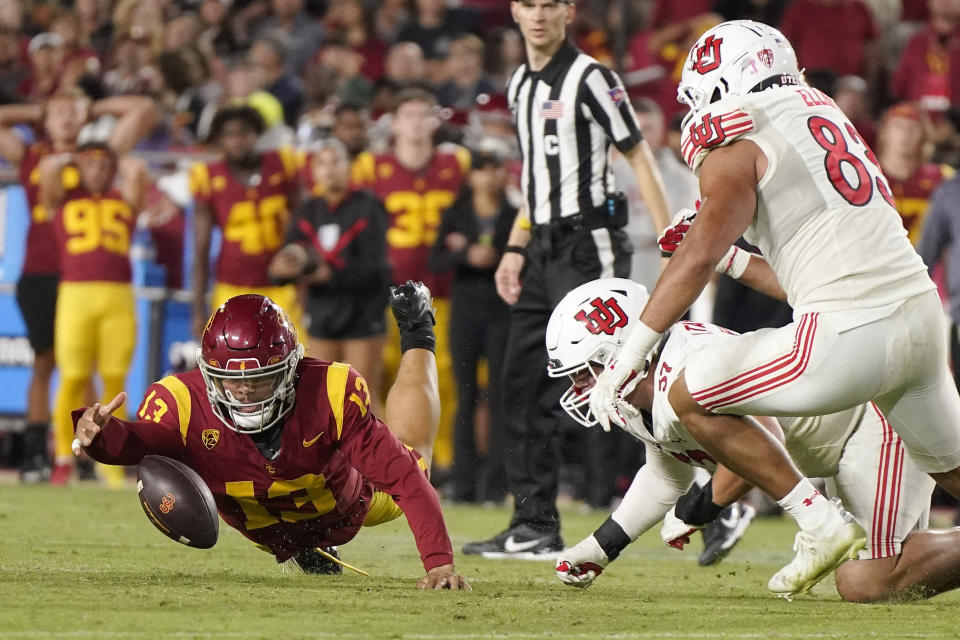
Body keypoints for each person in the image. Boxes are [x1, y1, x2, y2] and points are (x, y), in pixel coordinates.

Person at [590, 19, 960, 597]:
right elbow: (812, 268)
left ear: (718, 85)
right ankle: (830, 528)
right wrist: (733, 262)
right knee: (874, 579)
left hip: (848, 333)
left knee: (688, 393)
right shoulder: (822, 111)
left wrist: (626, 357)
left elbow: (695, 253)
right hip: (917, 318)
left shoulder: (737, 133)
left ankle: (817, 523)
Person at [552, 278, 960, 603]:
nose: (581, 388)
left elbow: (762, 435)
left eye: (586, 372)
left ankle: (823, 523)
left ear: (620, 349)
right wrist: (600, 547)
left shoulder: (687, 365)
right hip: (836, 445)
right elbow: (665, 474)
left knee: (869, 581)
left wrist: (702, 505)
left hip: (871, 419)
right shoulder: (636, 389)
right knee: (888, 571)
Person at [71, 286, 470, 590]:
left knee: (415, 459)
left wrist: (439, 564)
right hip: (269, 528)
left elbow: (405, 481)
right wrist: (101, 436)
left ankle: (418, 330)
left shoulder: (328, 392)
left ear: (290, 368)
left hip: (352, 506)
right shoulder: (181, 402)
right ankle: (305, 550)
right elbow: (138, 443)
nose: (244, 392)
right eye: (231, 381)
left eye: (259, 380)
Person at [462, 0, 671, 558]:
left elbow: (638, 155)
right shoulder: (520, 83)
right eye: (528, 3)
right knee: (520, 381)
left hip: (589, 244)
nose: (537, 15)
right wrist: (514, 246)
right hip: (543, 247)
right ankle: (533, 524)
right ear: (513, 10)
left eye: (549, 4)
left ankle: (715, 491)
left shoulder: (592, 77)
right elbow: (533, 177)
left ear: (569, 11)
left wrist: (673, 237)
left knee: (621, 382)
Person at [0, 90, 156, 482]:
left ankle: (92, 457)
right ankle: (45, 455)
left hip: (92, 278)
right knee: (50, 365)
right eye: (59, 111)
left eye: (74, 110)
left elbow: (143, 109)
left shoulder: (100, 153)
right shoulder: (34, 154)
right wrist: (41, 110)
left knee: (92, 370)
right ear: (45, 118)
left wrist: (93, 108)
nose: (67, 117)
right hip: (45, 272)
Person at [351, 87, 471, 475]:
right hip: (387, 289)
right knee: (383, 371)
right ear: (395, 123)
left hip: (443, 289)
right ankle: (390, 454)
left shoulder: (457, 165)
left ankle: (443, 460)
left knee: (445, 373)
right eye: (409, 115)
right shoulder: (372, 166)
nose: (417, 123)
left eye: (424, 114)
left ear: (436, 120)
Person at [40, 141, 149, 486]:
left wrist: (114, 156)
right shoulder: (64, 197)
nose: (98, 172)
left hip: (118, 295)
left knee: (115, 378)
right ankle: (62, 457)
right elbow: (46, 174)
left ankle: (111, 463)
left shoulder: (123, 199)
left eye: (105, 166)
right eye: (91, 165)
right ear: (79, 167)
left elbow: (138, 172)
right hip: (76, 293)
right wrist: (72, 158)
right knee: (72, 377)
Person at [269, 138, 390, 416]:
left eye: (336, 161)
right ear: (313, 171)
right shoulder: (307, 210)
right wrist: (281, 270)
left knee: (362, 397)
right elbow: (287, 259)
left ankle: (372, 459)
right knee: (319, 399)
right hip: (322, 314)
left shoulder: (369, 206)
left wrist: (330, 275)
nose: (329, 169)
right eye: (321, 163)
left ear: (350, 167)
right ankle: (325, 460)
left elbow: (376, 267)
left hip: (363, 315)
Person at [429, 146, 516, 504]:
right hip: (465, 312)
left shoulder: (514, 215)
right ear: (472, 176)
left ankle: (495, 486)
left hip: (501, 312)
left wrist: (467, 250)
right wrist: (466, 254)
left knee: (498, 396)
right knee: (465, 397)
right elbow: (435, 259)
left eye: (497, 168)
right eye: (483, 169)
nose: (490, 176)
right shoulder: (456, 213)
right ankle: (463, 486)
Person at [189, 105, 303, 339]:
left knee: (294, 357)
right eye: (230, 135)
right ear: (220, 139)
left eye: (243, 133)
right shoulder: (208, 176)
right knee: (235, 359)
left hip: (281, 284)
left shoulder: (283, 163)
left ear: (257, 134)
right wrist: (197, 309)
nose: (237, 141)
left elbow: (304, 224)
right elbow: (200, 247)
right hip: (231, 285)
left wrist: (302, 280)